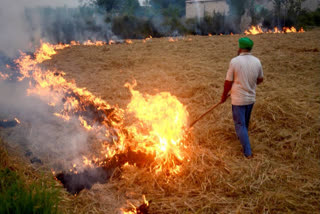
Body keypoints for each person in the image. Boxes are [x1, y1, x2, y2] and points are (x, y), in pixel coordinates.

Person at [220, 37, 263, 158]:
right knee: (245, 122)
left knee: (240, 124)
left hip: (238, 99)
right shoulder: (257, 61)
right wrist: (249, 83)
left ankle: (247, 152)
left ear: (240, 48)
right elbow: (260, 79)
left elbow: (228, 82)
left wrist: (223, 96)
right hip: (251, 99)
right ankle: (242, 137)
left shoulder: (235, 61)